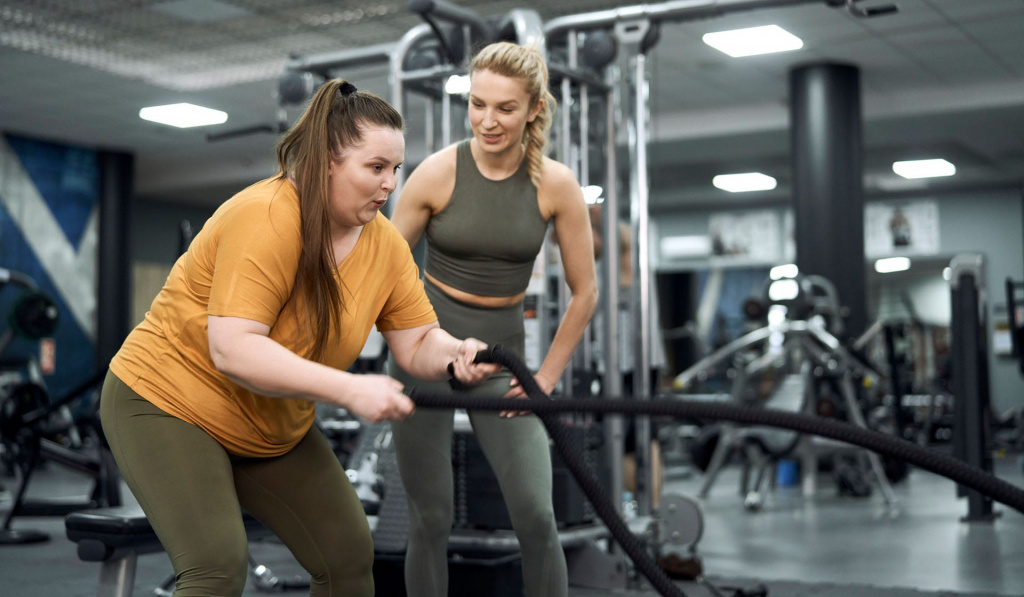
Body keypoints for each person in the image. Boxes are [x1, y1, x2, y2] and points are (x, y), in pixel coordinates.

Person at [99, 79, 499, 597]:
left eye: (396, 169)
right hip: (168, 402)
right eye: (376, 167)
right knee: (216, 565)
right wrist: (350, 389)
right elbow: (234, 348)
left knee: (347, 556)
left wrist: (456, 354)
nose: (390, 185)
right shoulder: (267, 215)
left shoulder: (386, 246)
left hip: (269, 422)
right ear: (327, 162)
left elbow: (418, 340)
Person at [387, 42, 597, 597]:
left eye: (505, 108)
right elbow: (380, 273)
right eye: (477, 104)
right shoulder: (437, 173)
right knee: (431, 517)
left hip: (503, 361)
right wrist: (421, 345)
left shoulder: (556, 184)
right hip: (424, 353)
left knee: (537, 515)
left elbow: (585, 293)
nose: (487, 120)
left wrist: (545, 378)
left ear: (534, 109)